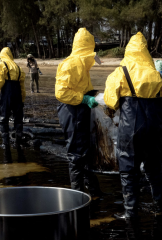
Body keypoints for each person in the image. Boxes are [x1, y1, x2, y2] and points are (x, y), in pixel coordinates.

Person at [103, 32, 162, 219]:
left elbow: (110, 102)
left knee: (128, 169)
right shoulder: (157, 75)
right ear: (146, 51)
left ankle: (130, 212)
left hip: (131, 128)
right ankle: (159, 206)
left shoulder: (120, 72)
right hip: (154, 128)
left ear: (129, 50)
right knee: (153, 168)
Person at [55, 27, 103, 195]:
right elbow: (61, 92)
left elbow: (81, 86)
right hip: (71, 111)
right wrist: (84, 99)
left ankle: (93, 191)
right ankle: (77, 196)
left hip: (79, 110)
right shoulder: (72, 63)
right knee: (76, 155)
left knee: (85, 152)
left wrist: (93, 96)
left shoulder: (82, 64)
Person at [0, 47, 26, 148]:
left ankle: (5, 144)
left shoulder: (2, 64)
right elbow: (22, 87)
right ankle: (18, 142)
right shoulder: (19, 68)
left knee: (3, 118)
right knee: (18, 118)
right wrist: (22, 100)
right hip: (17, 94)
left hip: (7, 94)